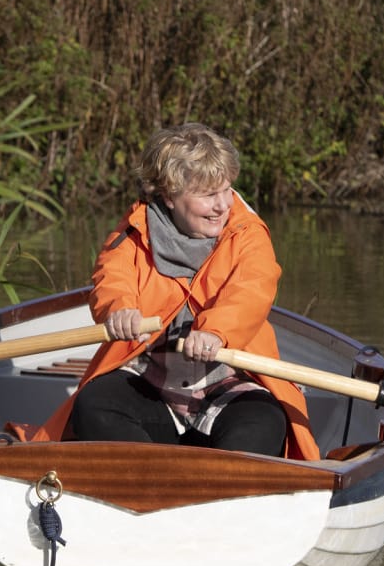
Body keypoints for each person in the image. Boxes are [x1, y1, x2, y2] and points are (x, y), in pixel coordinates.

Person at [30, 123, 320, 461]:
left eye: (227, 189)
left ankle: (211, 483)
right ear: (168, 196)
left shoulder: (248, 234)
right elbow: (112, 276)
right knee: (93, 405)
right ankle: (153, 478)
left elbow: (252, 290)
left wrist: (216, 332)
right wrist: (120, 310)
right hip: (150, 382)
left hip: (226, 382)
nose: (222, 205)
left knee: (265, 419)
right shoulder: (134, 232)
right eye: (208, 194)